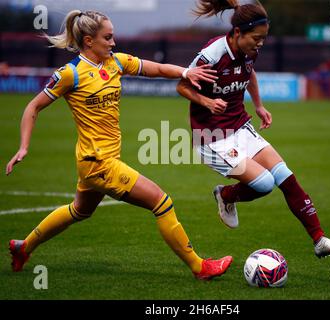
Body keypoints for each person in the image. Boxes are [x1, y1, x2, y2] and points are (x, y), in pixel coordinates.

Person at [6, 9, 232, 280]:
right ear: (89, 41)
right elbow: (33, 107)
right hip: (98, 163)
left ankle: (23, 247)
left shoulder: (116, 62)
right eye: (108, 37)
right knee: (161, 202)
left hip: (95, 163)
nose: (113, 43)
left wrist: (186, 72)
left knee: (79, 210)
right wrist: (23, 146)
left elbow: (156, 68)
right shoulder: (70, 74)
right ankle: (200, 267)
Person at [176, 0, 330, 258]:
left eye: (264, 38)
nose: (260, 44)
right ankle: (225, 195)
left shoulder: (249, 50)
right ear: (237, 33)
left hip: (239, 127)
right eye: (256, 38)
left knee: (285, 176)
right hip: (212, 139)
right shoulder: (212, 54)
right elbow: (182, 86)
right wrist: (207, 101)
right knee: (265, 183)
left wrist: (258, 105)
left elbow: (250, 73)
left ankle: (319, 240)